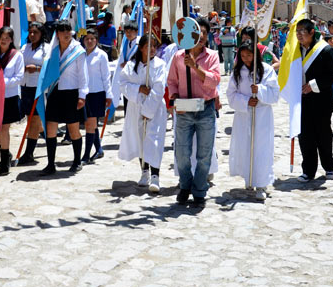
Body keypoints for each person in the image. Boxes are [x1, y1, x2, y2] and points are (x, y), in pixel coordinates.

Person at [167, 17, 221, 208]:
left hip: (205, 108)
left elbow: (215, 80)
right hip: (184, 108)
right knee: (182, 152)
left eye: (205, 33)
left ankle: (199, 190)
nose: (201, 36)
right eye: (198, 32)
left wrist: (196, 68)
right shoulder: (178, 56)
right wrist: (173, 96)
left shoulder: (212, 56)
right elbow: (172, 80)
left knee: (204, 154)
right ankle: (185, 185)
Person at [226, 39, 280, 200]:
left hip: (262, 115)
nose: (246, 59)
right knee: (246, 147)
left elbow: (275, 94)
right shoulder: (237, 72)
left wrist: (260, 91)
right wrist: (245, 101)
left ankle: (262, 183)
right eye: (242, 56)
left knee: (262, 148)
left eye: (249, 55)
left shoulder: (267, 70)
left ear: (255, 55)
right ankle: (249, 177)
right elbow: (231, 94)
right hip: (244, 116)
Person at [118, 33, 167, 193]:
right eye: (148, 46)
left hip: (155, 108)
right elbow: (123, 83)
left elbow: (159, 88)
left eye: (154, 46)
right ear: (141, 48)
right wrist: (138, 89)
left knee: (154, 140)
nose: (152, 49)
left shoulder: (160, 64)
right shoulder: (132, 66)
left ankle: (155, 175)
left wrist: (148, 110)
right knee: (140, 139)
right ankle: (144, 171)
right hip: (136, 107)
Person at [295, 19, 333, 182]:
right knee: (305, 136)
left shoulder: (325, 50)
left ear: (312, 32)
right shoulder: (295, 52)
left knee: (323, 134)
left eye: (302, 31)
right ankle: (308, 170)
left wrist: (313, 85)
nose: (299, 35)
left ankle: (329, 167)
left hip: (321, 100)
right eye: (297, 31)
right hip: (301, 100)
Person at [42, 20, 88, 175]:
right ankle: (50, 164)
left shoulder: (78, 50)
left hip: (71, 93)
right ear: (57, 34)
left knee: (73, 128)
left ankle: (76, 161)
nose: (66, 33)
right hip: (54, 91)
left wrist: (82, 95)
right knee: (50, 128)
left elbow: (83, 75)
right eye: (62, 31)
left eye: (68, 30)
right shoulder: (52, 49)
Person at [0, 26, 24, 175]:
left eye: (8, 38)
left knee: (4, 128)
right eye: (2, 37)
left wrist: (0, 83)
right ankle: (6, 152)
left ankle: (4, 162)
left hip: (9, 96)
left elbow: (18, 77)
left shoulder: (17, 56)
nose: (4, 40)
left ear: (11, 40)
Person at [18, 22, 52, 166]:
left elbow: (50, 67)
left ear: (41, 33)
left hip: (38, 88)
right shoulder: (24, 48)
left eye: (35, 32)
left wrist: (37, 68)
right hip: (25, 87)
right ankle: (41, 134)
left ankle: (29, 152)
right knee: (30, 119)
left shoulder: (47, 49)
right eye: (30, 32)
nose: (32, 35)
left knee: (34, 120)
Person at [81, 27, 112, 163]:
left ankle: (86, 155)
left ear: (96, 40)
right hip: (84, 93)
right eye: (87, 39)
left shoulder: (101, 55)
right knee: (91, 124)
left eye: (92, 39)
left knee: (90, 124)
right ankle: (98, 149)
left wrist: (109, 95)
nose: (89, 41)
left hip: (97, 93)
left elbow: (106, 76)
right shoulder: (81, 54)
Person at [111, 19, 139, 111]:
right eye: (126, 31)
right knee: (127, 105)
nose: (128, 33)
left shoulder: (140, 43)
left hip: (136, 78)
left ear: (136, 31)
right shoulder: (125, 43)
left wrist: (129, 63)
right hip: (127, 78)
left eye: (131, 31)